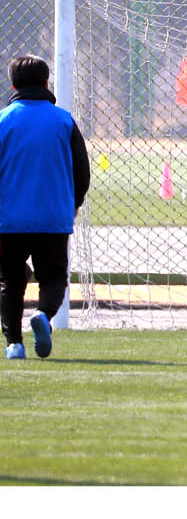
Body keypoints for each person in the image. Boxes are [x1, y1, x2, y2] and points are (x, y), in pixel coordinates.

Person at [0, 55, 91, 360]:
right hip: (53, 217)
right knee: (53, 277)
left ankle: (14, 344)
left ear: (13, 84)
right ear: (46, 81)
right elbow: (82, 169)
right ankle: (43, 314)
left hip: (8, 220)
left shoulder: (3, 120)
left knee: (10, 282)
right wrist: (75, 202)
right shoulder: (64, 120)